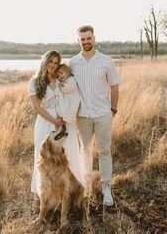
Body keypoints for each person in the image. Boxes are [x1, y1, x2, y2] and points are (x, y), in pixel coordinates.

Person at [68, 25, 121, 206]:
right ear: (78, 41)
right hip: (82, 116)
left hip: (102, 114)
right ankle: (88, 186)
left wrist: (113, 109)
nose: (86, 42)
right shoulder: (72, 63)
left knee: (105, 151)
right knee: (85, 151)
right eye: (82, 39)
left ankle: (106, 188)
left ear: (94, 38)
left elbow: (114, 85)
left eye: (88, 38)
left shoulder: (106, 61)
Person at [28, 51, 84, 199]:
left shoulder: (61, 79)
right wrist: (54, 121)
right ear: (44, 61)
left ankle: (69, 194)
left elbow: (72, 94)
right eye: (50, 62)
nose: (53, 65)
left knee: (69, 154)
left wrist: (67, 115)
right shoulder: (34, 82)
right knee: (44, 158)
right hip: (46, 123)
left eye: (56, 62)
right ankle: (43, 196)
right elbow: (37, 107)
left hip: (64, 122)